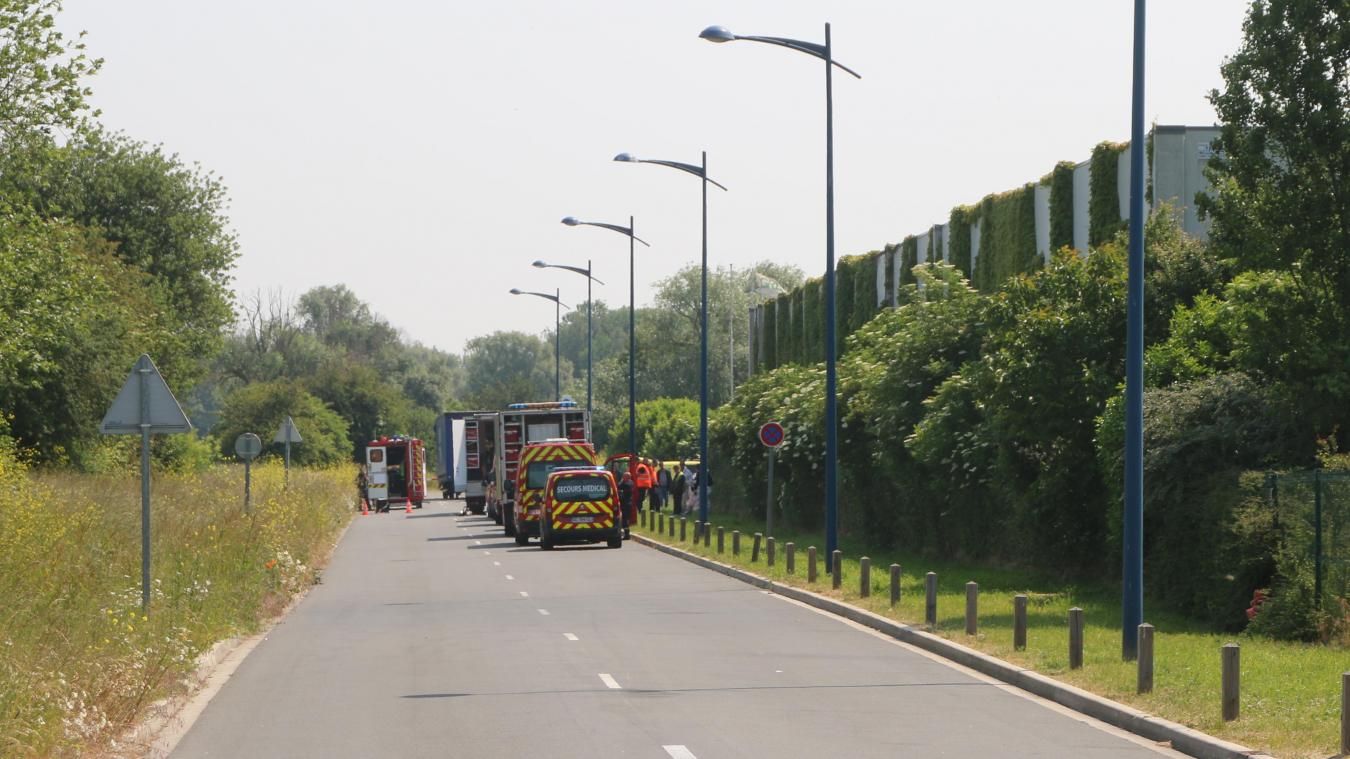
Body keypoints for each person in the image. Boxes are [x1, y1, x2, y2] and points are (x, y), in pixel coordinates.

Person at [617, 472, 635, 537]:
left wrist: (621, 481)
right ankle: (626, 533)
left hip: (625, 504)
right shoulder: (631, 482)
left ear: (627, 477)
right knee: (625, 519)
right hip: (628, 503)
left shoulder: (626, 484)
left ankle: (627, 534)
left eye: (623, 476)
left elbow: (618, 486)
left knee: (625, 519)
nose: (622, 477)